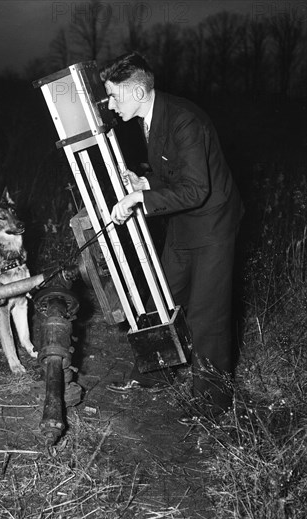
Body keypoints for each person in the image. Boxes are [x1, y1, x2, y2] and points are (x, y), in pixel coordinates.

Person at [100, 52, 244, 424]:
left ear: (137, 91)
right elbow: (174, 173)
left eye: (115, 96)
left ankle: (211, 406)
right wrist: (145, 182)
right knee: (164, 296)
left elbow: (197, 189)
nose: (111, 105)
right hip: (183, 223)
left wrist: (140, 198)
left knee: (206, 315)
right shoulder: (152, 117)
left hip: (212, 224)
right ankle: (154, 375)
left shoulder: (184, 120)